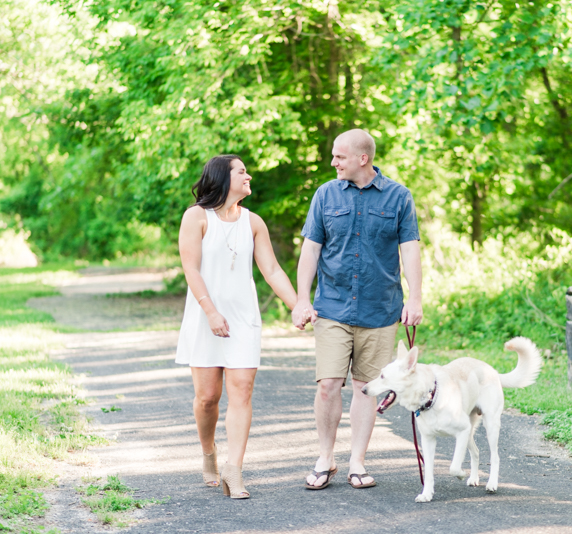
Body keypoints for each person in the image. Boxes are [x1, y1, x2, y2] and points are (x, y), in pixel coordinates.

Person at [292, 129, 423, 490]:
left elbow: (410, 248)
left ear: (362, 159)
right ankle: (325, 458)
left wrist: (415, 298)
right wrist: (302, 298)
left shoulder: (398, 197)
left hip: (380, 309)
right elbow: (311, 249)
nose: (333, 162)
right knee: (328, 385)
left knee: (367, 387)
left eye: (339, 156)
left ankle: (357, 462)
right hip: (332, 306)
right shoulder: (325, 194)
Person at [176, 154, 305, 499]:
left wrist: (298, 306)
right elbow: (191, 270)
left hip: (243, 319)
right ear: (222, 178)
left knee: (242, 391)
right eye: (242, 171)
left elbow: (273, 271)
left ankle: (234, 468)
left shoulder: (253, 222)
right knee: (207, 398)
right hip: (206, 317)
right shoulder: (195, 217)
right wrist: (211, 312)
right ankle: (208, 453)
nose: (249, 176)